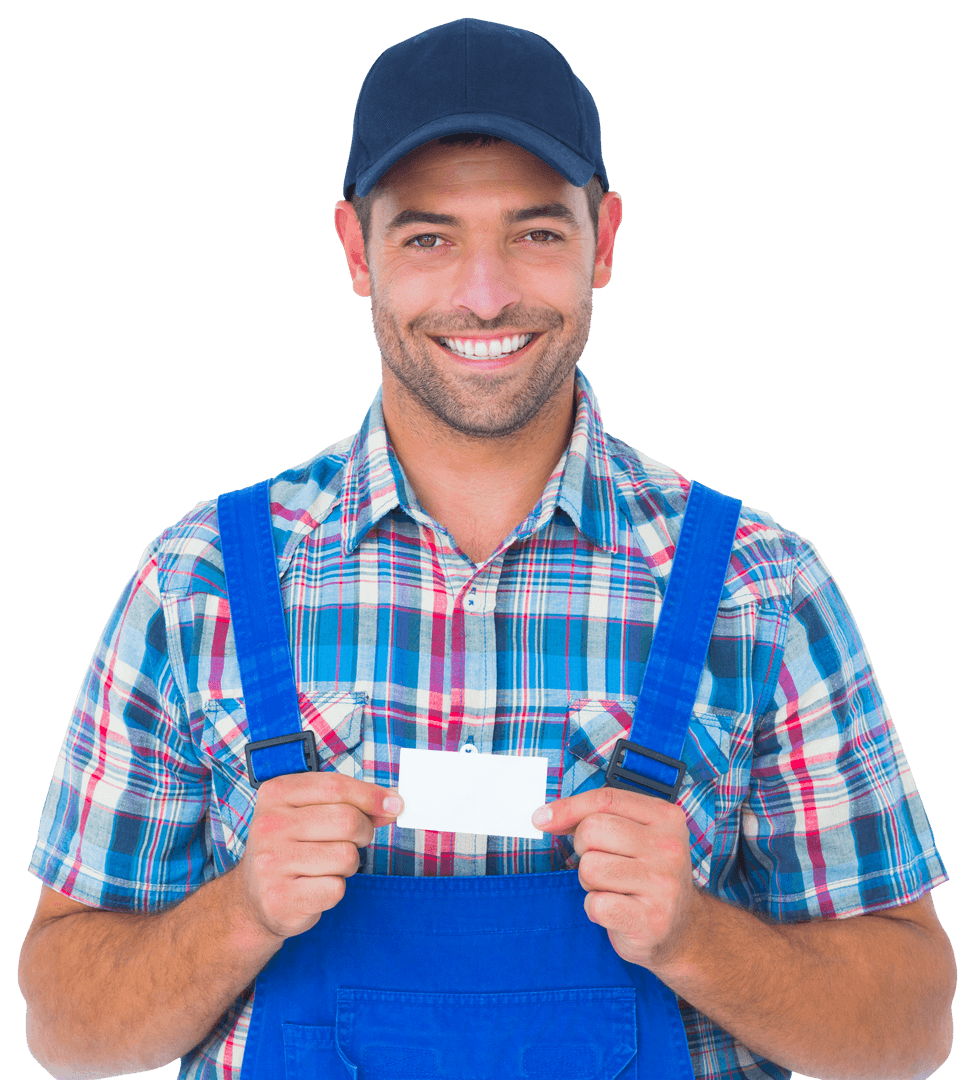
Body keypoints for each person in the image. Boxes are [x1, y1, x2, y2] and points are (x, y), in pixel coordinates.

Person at [18, 17, 955, 1080]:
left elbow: (912, 1027)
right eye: (428, 238)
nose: (484, 293)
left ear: (604, 239)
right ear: (355, 250)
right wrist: (241, 912)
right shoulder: (201, 583)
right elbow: (65, 1028)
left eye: (535, 233)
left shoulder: (758, 586)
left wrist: (695, 934)